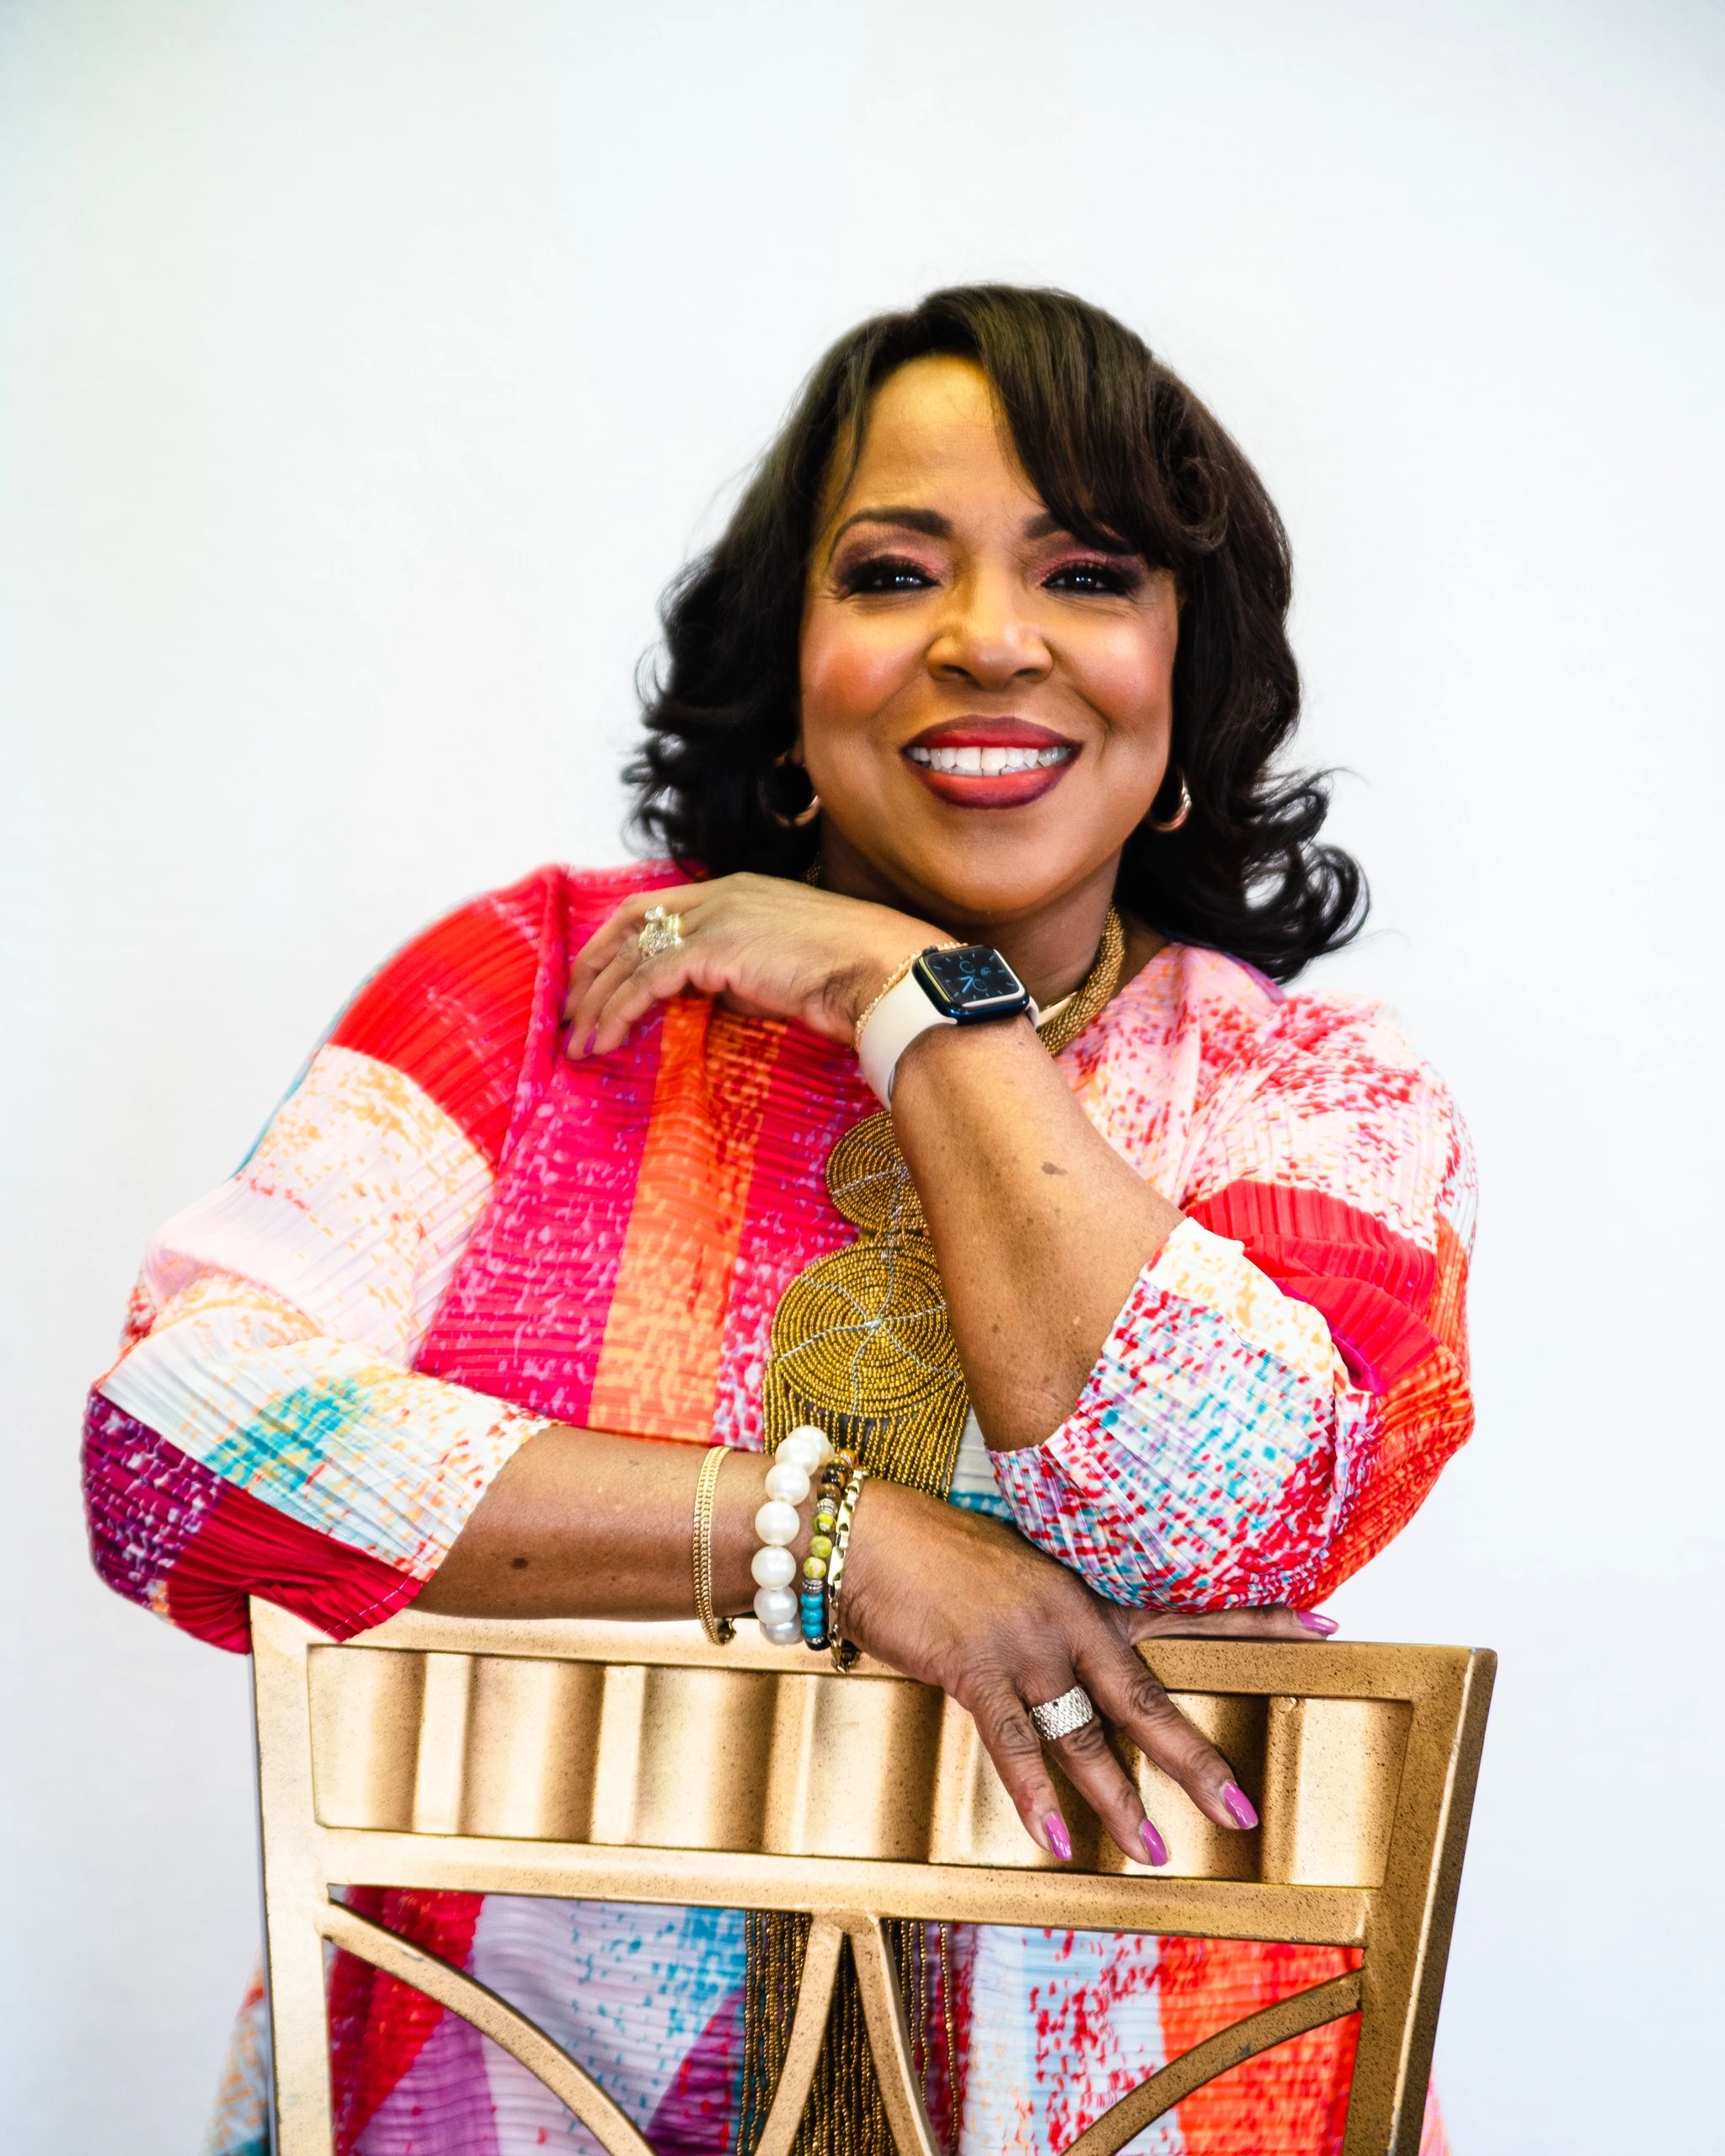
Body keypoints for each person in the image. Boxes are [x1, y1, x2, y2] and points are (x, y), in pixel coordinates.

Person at [83, 285, 1474, 2156]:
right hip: (498, 2103)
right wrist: (822, 1536)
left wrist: (913, 995)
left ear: (1187, 674)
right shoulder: (542, 995)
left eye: (1085, 575)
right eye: (896, 573)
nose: (989, 640)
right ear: (793, 662)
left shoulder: (1312, 1095)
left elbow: (1204, 1513)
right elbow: (177, 1450)